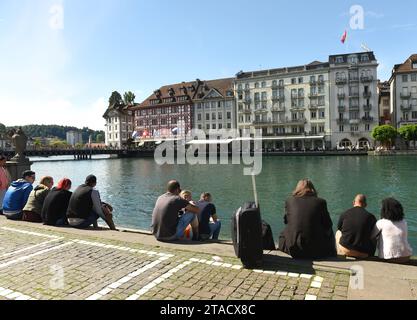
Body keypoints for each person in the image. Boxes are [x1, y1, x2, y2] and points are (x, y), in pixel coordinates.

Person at [278, 179, 336, 259]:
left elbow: (286, 221)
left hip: (293, 249)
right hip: (315, 250)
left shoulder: (289, 201)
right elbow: (328, 224)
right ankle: (331, 252)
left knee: (285, 231)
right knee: (330, 231)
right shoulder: (321, 202)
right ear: (313, 189)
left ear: (297, 189)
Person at [372, 198, 413, 263]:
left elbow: (372, 236)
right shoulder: (404, 222)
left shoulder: (381, 222)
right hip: (406, 256)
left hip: (388, 258)